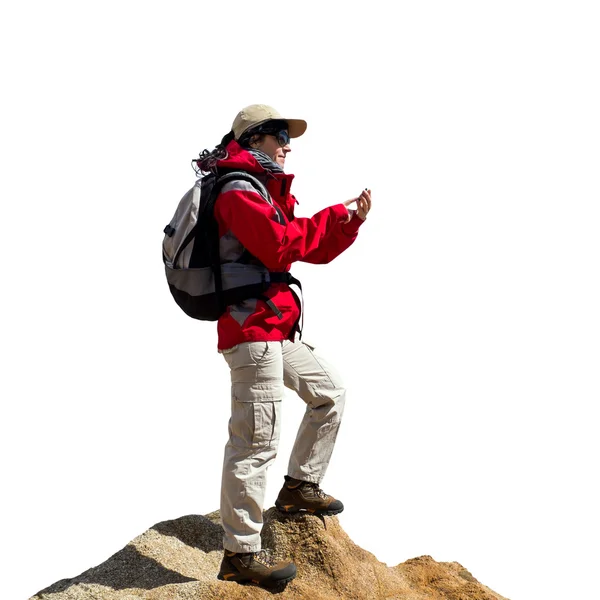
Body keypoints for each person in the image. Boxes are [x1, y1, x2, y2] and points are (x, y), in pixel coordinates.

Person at [195, 104, 372, 587]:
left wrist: (346, 223)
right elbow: (277, 246)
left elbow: (305, 248)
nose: (287, 145)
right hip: (250, 330)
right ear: (255, 140)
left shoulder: (262, 189)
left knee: (329, 390)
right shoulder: (236, 189)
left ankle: (298, 487)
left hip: (272, 327)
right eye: (279, 136)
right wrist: (332, 216)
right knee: (255, 442)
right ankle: (241, 556)